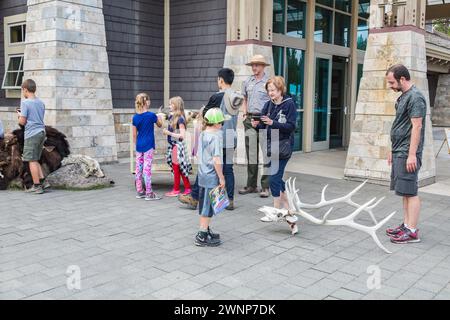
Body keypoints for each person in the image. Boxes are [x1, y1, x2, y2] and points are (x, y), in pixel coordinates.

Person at [179, 68, 242, 210]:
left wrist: (201, 112)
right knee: (228, 169)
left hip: (217, 137)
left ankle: (195, 197)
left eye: (217, 80)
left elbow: (206, 116)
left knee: (206, 167)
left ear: (220, 80)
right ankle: (230, 200)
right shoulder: (237, 97)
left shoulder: (217, 97)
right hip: (231, 137)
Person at [385, 64, 426, 244]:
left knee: (411, 191)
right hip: (398, 151)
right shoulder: (403, 97)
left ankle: (412, 231)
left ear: (402, 79)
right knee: (405, 192)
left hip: (407, 153)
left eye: (392, 82)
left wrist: (412, 155)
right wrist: (391, 151)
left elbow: (417, 126)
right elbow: (399, 125)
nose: (390, 85)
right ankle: (406, 225)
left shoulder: (416, 97)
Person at [252, 76, 297, 232]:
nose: (270, 93)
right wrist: (257, 125)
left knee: (274, 178)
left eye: (273, 90)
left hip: (283, 147)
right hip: (271, 146)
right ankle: (291, 212)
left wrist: (273, 123)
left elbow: (291, 126)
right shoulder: (268, 105)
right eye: (268, 90)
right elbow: (264, 128)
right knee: (278, 181)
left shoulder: (289, 104)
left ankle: (276, 211)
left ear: (280, 89)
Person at [239, 54, 271, 198]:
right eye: (252, 65)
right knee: (251, 154)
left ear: (263, 66)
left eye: (257, 65)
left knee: (266, 154)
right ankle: (251, 185)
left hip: (264, 120)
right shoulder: (247, 82)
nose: (254, 67)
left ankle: (266, 187)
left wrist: (268, 118)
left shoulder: (269, 82)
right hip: (250, 119)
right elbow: (244, 98)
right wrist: (244, 113)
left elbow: (273, 100)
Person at [195, 108, 228, 247]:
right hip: (211, 176)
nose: (222, 125)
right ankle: (202, 234)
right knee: (207, 208)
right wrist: (221, 177)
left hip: (202, 174)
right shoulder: (216, 137)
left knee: (204, 204)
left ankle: (206, 229)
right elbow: (216, 159)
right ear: (216, 124)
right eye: (221, 122)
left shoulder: (203, 134)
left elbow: (198, 154)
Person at [17, 79, 47, 194]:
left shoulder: (25, 103)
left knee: (31, 160)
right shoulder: (41, 102)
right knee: (36, 158)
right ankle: (44, 182)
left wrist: (19, 115)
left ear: (25, 89)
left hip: (32, 134)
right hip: (42, 132)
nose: (23, 93)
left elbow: (22, 122)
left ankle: (37, 186)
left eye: (22, 90)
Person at [133, 93, 163, 201]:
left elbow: (134, 135)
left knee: (138, 169)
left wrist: (136, 146)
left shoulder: (135, 117)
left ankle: (140, 191)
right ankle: (149, 193)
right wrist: (159, 115)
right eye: (149, 100)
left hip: (139, 146)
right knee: (147, 169)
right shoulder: (151, 115)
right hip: (149, 145)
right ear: (147, 102)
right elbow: (160, 125)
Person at [163, 96, 192, 197]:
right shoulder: (173, 117)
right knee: (179, 168)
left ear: (176, 105)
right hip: (173, 146)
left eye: (171, 104)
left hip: (177, 146)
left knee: (177, 168)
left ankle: (176, 189)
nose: (169, 106)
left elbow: (182, 136)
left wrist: (168, 133)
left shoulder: (180, 119)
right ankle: (187, 188)